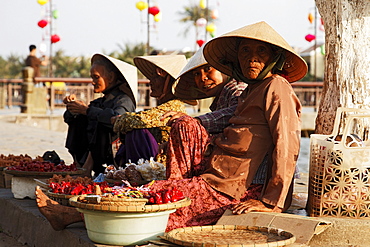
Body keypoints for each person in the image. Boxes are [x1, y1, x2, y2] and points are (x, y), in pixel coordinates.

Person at [35, 21, 307, 233]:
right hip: (217, 177)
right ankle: (82, 213)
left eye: (261, 51)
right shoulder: (252, 90)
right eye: (245, 51)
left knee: (160, 200)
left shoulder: (277, 87)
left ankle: (73, 216)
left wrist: (270, 202)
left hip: (238, 189)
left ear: (274, 57)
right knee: (168, 179)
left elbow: (287, 145)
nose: (252, 58)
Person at [63, 53, 137, 177]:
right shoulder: (100, 101)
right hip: (98, 151)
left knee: (104, 121)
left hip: (114, 153)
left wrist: (87, 110)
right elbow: (69, 118)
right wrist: (73, 107)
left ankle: (86, 169)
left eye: (96, 77)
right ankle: (78, 165)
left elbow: (117, 119)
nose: (93, 82)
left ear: (111, 77)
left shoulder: (124, 100)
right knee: (80, 118)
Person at [112, 54, 191, 166]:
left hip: (164, 164)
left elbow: (136, 121)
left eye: (156, 77)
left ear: (170, 82)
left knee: (136, 131)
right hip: (158, 159)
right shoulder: (165, 106)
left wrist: (119, 120)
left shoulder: (174, 107)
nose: (150, 81)